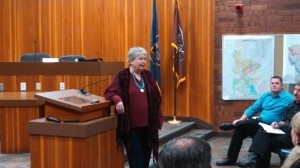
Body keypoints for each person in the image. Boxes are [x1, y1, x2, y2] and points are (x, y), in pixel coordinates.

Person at [104, 46, 163, 168]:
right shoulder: (122, 76)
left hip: (148, 125)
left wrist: (157, 117)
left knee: (146, 156)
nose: (143, 62)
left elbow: (156, 97)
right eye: (140, 59)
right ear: (131, 61)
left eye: (144, 59)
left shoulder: (147, 75)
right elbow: (110, 92)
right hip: (131, 127)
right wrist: (118, 100)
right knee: (136, 158)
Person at [216, 76, 294, 166]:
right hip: (260, 122)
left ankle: (252, 157)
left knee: (260, 130)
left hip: (273, 127)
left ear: (282, 85)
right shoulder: (265, 95)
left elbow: (292, 112)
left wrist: (281, 124)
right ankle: (231, 158)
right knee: (240, 129)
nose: (274, 85)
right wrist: (241, 119)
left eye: (277, 83)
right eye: (272, 83)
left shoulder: (289, 98)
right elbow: (253, 109)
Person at [235, 82, 300, 167]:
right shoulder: (292, 104)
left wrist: (283, 125)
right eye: (295, 89)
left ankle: (255, 160)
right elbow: (283, 120)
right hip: (283, 132)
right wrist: (278, 124)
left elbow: (295, 127)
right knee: (262, 130)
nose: (295, 92)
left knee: (264, 139)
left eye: (299, 90)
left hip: (293, 137)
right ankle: (253, 158)